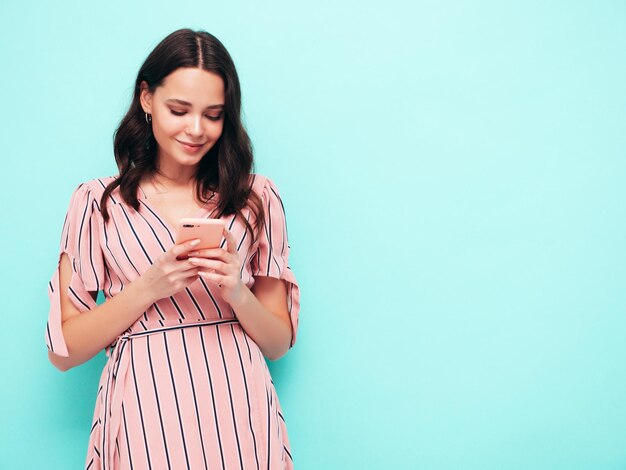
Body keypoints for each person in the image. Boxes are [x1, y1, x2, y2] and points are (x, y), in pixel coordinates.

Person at [45, 28, 300, 470]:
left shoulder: (257, 198)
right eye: (179, 110)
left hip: (240, 410)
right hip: (143, 408)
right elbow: (62, 350)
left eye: (214, 114)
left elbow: (277, 343)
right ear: (146, 98)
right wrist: (148, 287)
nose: (196, 130)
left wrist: (238, 292)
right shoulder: (95, 203)